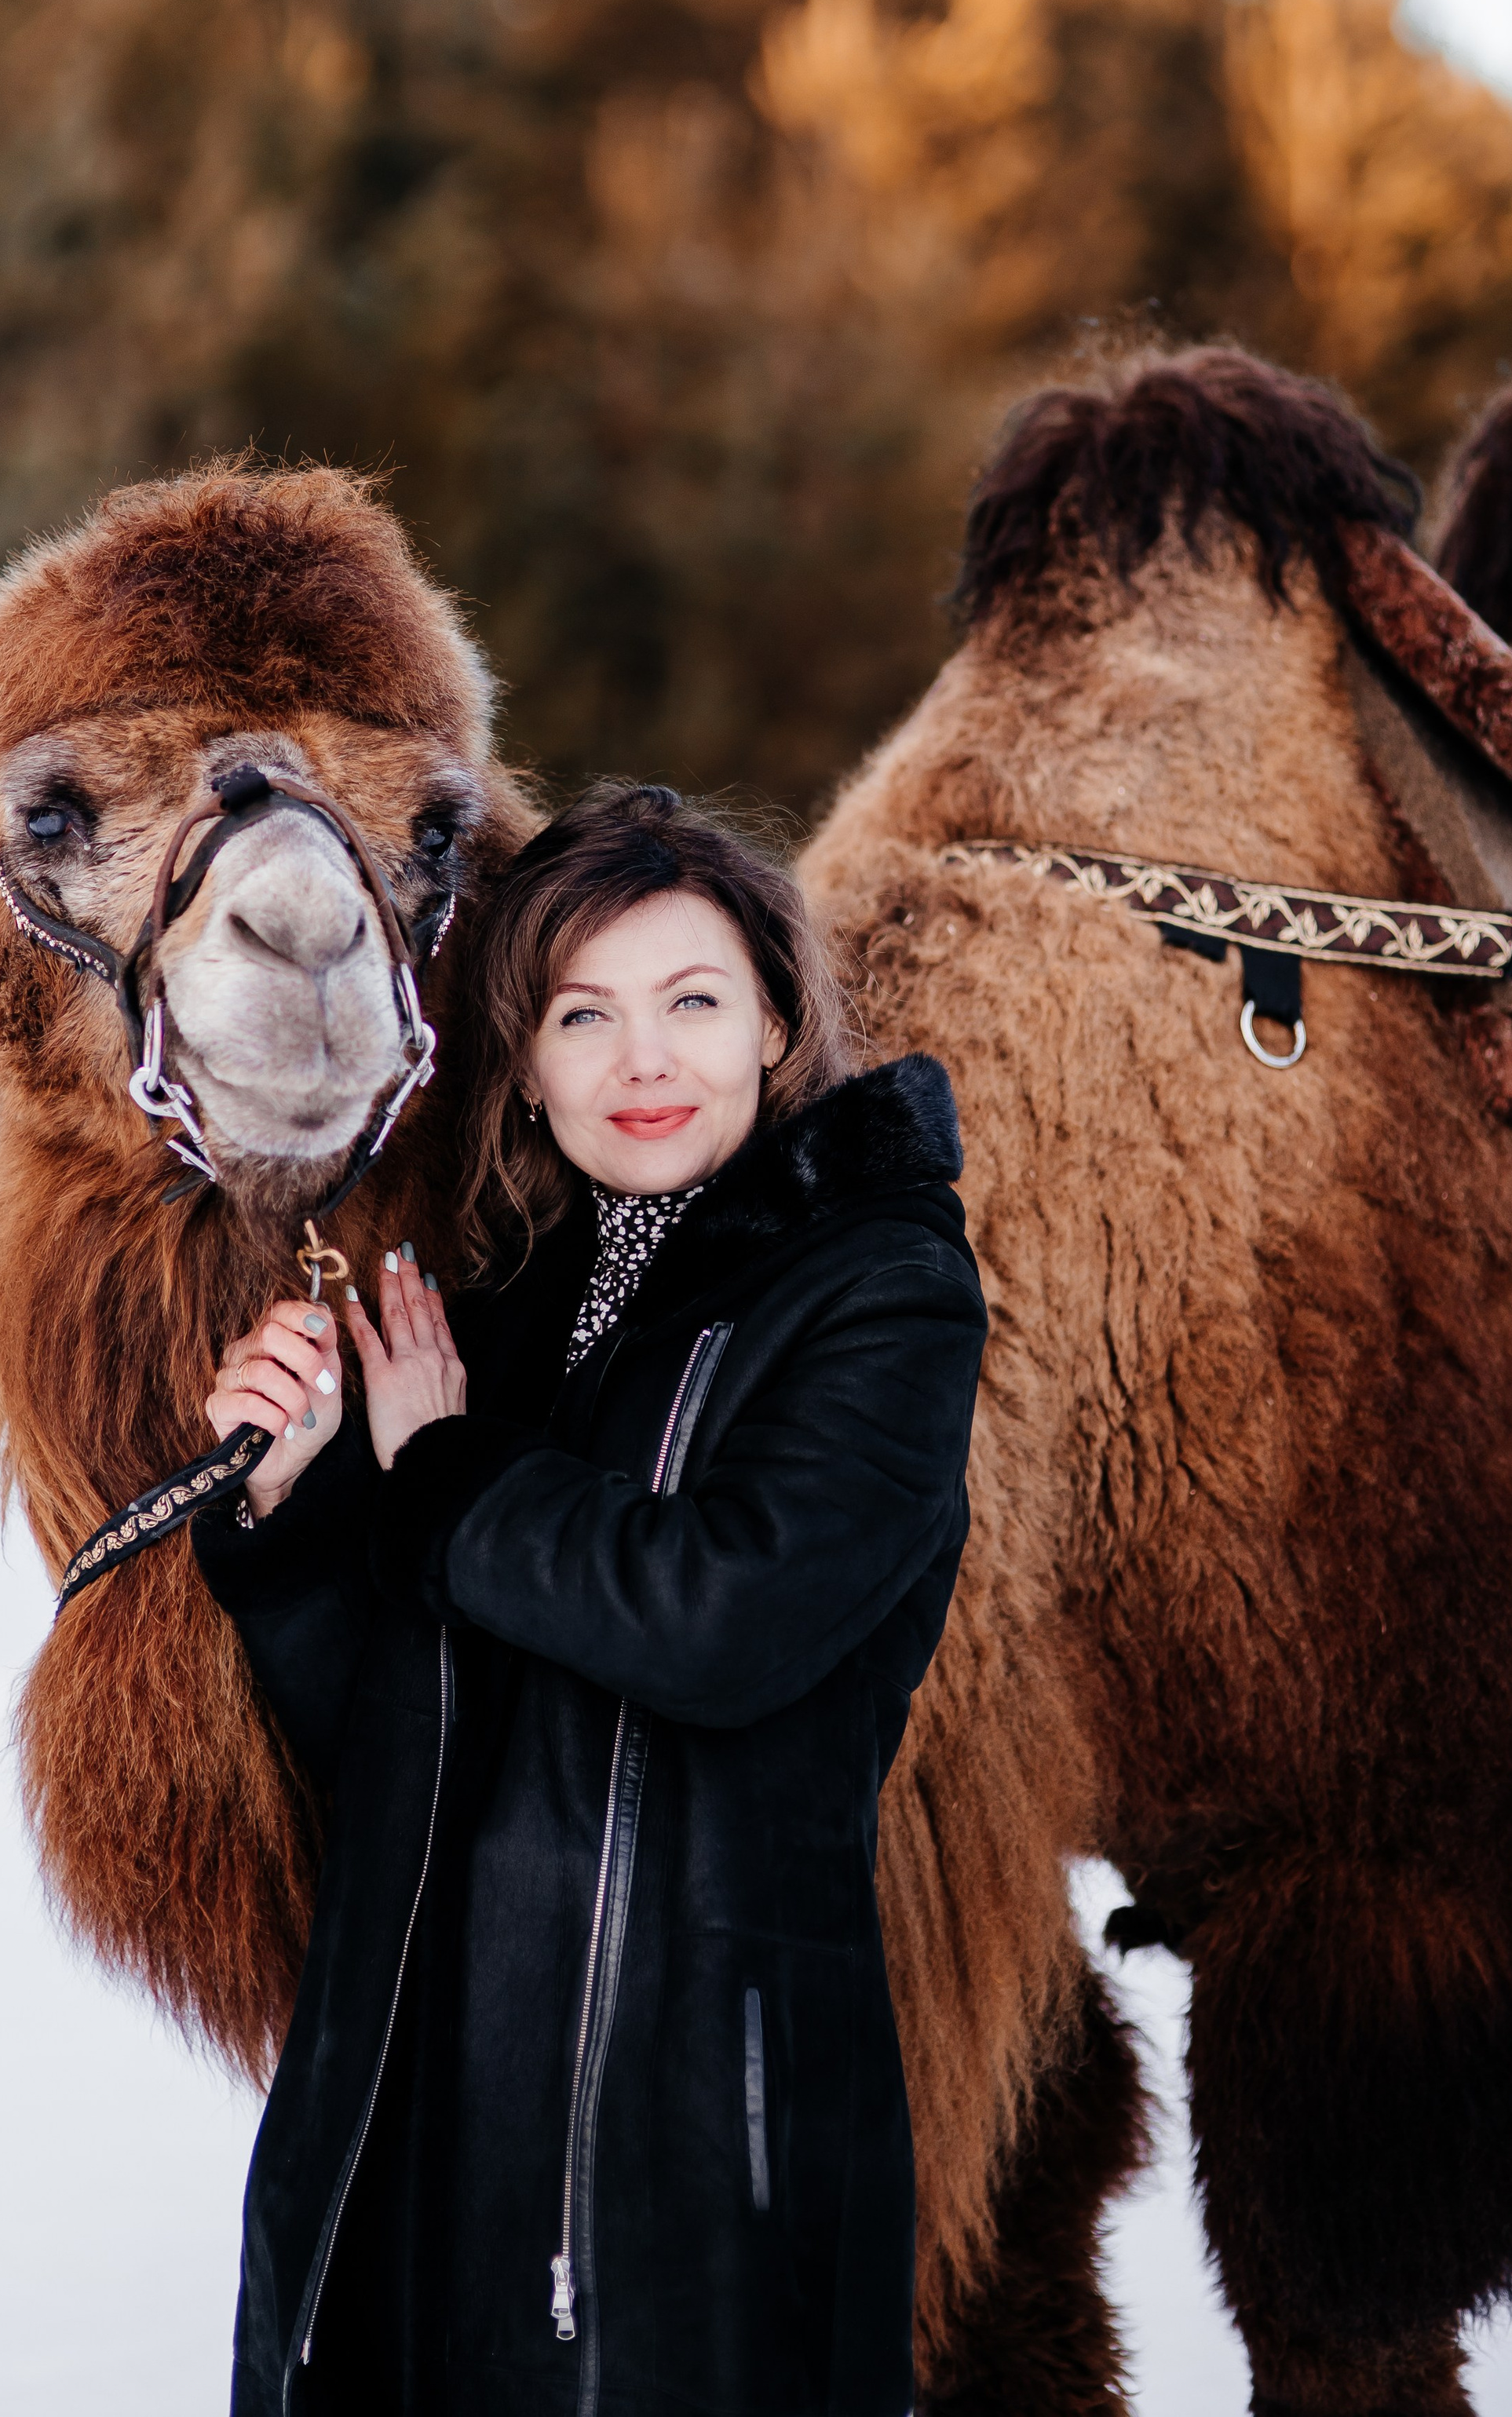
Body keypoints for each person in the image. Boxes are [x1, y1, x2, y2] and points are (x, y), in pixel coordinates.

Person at [192, 782, 987, 2417]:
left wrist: (444, 1471)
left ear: (774, 1020)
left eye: (692, 1001)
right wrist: (297, 1503)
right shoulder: (495, 1305)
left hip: (686, 2146)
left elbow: (719, 1621)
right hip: (425, 2119)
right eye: (584, 1014)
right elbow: (390, 1738)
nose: (643, 1059)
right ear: (524, 1056)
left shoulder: (876, 1287)